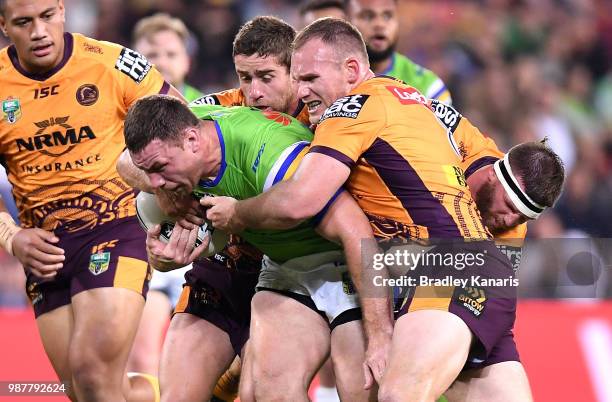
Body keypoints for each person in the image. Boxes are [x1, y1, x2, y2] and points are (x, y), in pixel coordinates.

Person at [200, 18, 519, 401]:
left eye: (311, 78)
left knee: (397, 395)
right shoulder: (413, 100)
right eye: (297, 79)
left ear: (351, 70)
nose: (301, 92)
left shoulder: (351, 107)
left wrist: (236, 214)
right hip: (475, 266)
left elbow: (302, 199)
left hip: (442, 266)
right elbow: (484, 163)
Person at [123, 96, 380, 402]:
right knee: (265, 393)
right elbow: (125, 161)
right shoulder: (190, 122)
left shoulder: (270, 149)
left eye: (160, 169)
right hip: (284, 266)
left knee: (370, 387)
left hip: (402, 252)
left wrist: (381, 332)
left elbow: (354, 231)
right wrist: (160, 193)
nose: (255, 91)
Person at [0, 0, 182, 401]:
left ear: (63, 10)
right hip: (44, 250)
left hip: (117, 230)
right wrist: (12, 237)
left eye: (48, 16)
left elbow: (182, 124)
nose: (39, 32)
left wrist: (168, 194)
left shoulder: (113, 64)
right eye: (24, 22)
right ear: (3, 25)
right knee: (87, 390)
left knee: (93, 373)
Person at [127, 11, 201, 380]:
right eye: (149, 56)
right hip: (144, 249)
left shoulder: (209, 113)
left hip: (202, 250)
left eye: (170, 54)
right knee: (142, 362)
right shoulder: (119, 119)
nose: (160, 63)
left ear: (186, 60)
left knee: (197, 369)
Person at [346, 0, 452, 104]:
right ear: (345, 22)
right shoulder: (332, 79)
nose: (379, 24)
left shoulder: (429, 87)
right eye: (367, 16)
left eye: (387, 16)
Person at [132, 12, 203, 102]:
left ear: (187, 62)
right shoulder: (117, 107)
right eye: (152, 55)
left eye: (171, 54)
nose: (162, 63)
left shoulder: (206, 112)